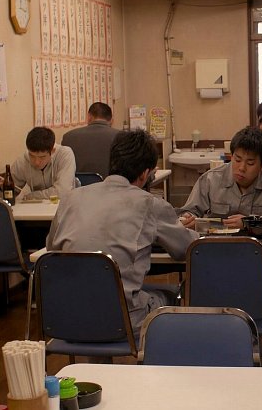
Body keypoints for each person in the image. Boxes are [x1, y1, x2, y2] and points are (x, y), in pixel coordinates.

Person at [46, 129, 198, 338]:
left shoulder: (71, 198)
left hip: (68, 317)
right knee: (174, 293)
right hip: (122, 320)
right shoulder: (149, 203)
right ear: (145, 173)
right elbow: (185, 250)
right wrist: (189, 230)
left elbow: (52, 248)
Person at [178, 126, 262, 231]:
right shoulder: (211, 179)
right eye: (237, 159)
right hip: (216, 243)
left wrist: (253, 223)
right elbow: (189, 211)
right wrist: (188, 217)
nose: (241, 168)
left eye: (250, 163)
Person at [8, 126, 76, 201]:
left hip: (64, 204)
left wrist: (31, 196)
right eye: (32, 156)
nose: (36, 162)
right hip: (38, 206)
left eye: (42, 157)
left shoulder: (65, 155)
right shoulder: (22, 161)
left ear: (52, 151)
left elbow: (62, 192)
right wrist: (3, 188)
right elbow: (11, 190)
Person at [61, 101, 120, 177]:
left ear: (89, 117)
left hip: (80, 183)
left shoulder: (68, 137)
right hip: (112, 183)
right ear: (111, 120)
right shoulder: (122, 136)